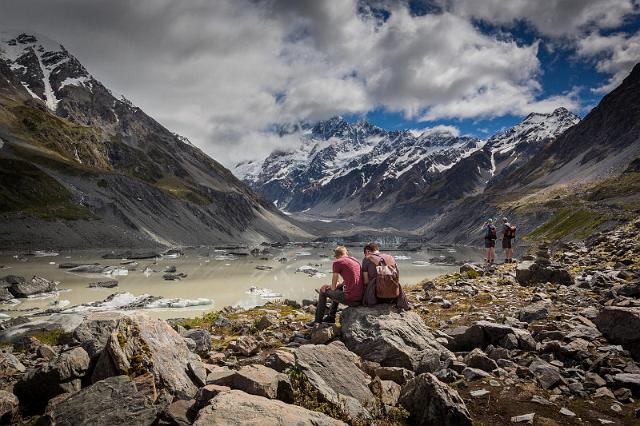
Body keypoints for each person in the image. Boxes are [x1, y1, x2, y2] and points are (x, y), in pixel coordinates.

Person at [305, 246, 363, 328]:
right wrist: (338, 285)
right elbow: (349, 279)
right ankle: (330, 318)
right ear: (346, 253)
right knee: (338, 288)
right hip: (360, 298)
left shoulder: (338, 262)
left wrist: (327, 286)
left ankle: (317, 321)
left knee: (323, 291)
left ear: (336, 256)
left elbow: (333, 286)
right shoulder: (355, 260)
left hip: (351, 299)